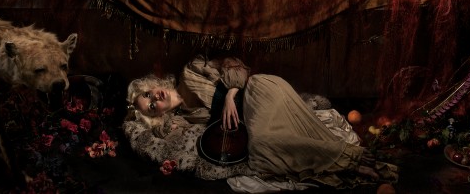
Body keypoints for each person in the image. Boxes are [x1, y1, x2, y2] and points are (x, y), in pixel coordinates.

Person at [126, 55, 398, 189]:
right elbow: (158, 140)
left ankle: (352, 159)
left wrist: (231, 93)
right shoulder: (187, 118)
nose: (155, 98)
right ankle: (352, 162)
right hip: (256, 119)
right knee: (263, 150)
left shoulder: (190, 71)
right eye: (151, 106)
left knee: (262, 144)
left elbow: (236, 65)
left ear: (153, 84)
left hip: (259, 90)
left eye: (148, 93)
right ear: (157, 115)